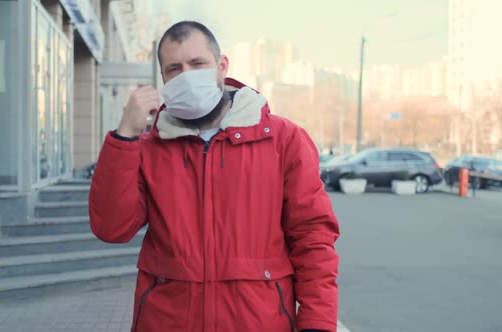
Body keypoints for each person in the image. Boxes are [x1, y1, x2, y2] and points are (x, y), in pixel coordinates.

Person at [89, 20, 340, 332]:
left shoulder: (282, 139)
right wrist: (125, 135)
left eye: (198, 64)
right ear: (163, 78)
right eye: (174, 69)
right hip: (166, 321)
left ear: (221, 66)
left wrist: (317, 322)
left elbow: (313, 237)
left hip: (258, 322)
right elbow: (112, 228)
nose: (187, 76)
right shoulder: (150, 147)